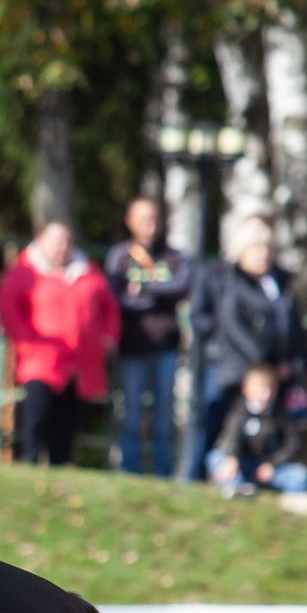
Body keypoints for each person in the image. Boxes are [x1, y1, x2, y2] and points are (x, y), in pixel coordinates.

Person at [184, 213, 305, 480]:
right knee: (220, 427)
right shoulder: (230, 281)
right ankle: (201, 476)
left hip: (272, 374)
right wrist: (262, 362)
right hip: (237, 372)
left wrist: (290, 362)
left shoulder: (279, 285)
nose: (263, 255)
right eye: (256, 249)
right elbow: (229, 324)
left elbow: (292, 328)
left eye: (267, 249)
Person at [0, 220, 119, 467]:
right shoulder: (25, 271)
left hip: (77, 362)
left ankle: (61, 467)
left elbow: (109, 306)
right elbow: (7, 305)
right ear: (41, 241)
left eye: (66, 241)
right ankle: (29, 465)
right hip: (40, 361)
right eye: (56, 241)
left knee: (67, 422)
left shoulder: (87, 271)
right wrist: (26, 338)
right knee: (37, 417)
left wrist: (108, 338)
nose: (62, 247)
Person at [102, 196, 190, 476]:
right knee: (131, 416)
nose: (150, 226)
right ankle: (130, 471)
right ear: (130, 222)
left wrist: (144, 289)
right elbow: (115, 296)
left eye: (154, 219)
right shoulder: (120, 257)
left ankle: (164, 473)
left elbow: (183, 286)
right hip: (131, 348)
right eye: (143, 220)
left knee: (165, 417)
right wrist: (158, 292)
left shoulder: (173, 256)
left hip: (166, 348)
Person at [207, 363, 307, 496]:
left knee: (300, 475)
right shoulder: (237, 412)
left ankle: (295, 501)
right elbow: (230, 439)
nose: (266, 395)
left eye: (270, 389)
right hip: (242, 465)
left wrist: (272, 465)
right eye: (261, 389)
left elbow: (292, 446)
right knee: (215, 458)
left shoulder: (282, 415)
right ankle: (237, 487)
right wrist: (232, 458)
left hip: (269, 468)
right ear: (246, 389)